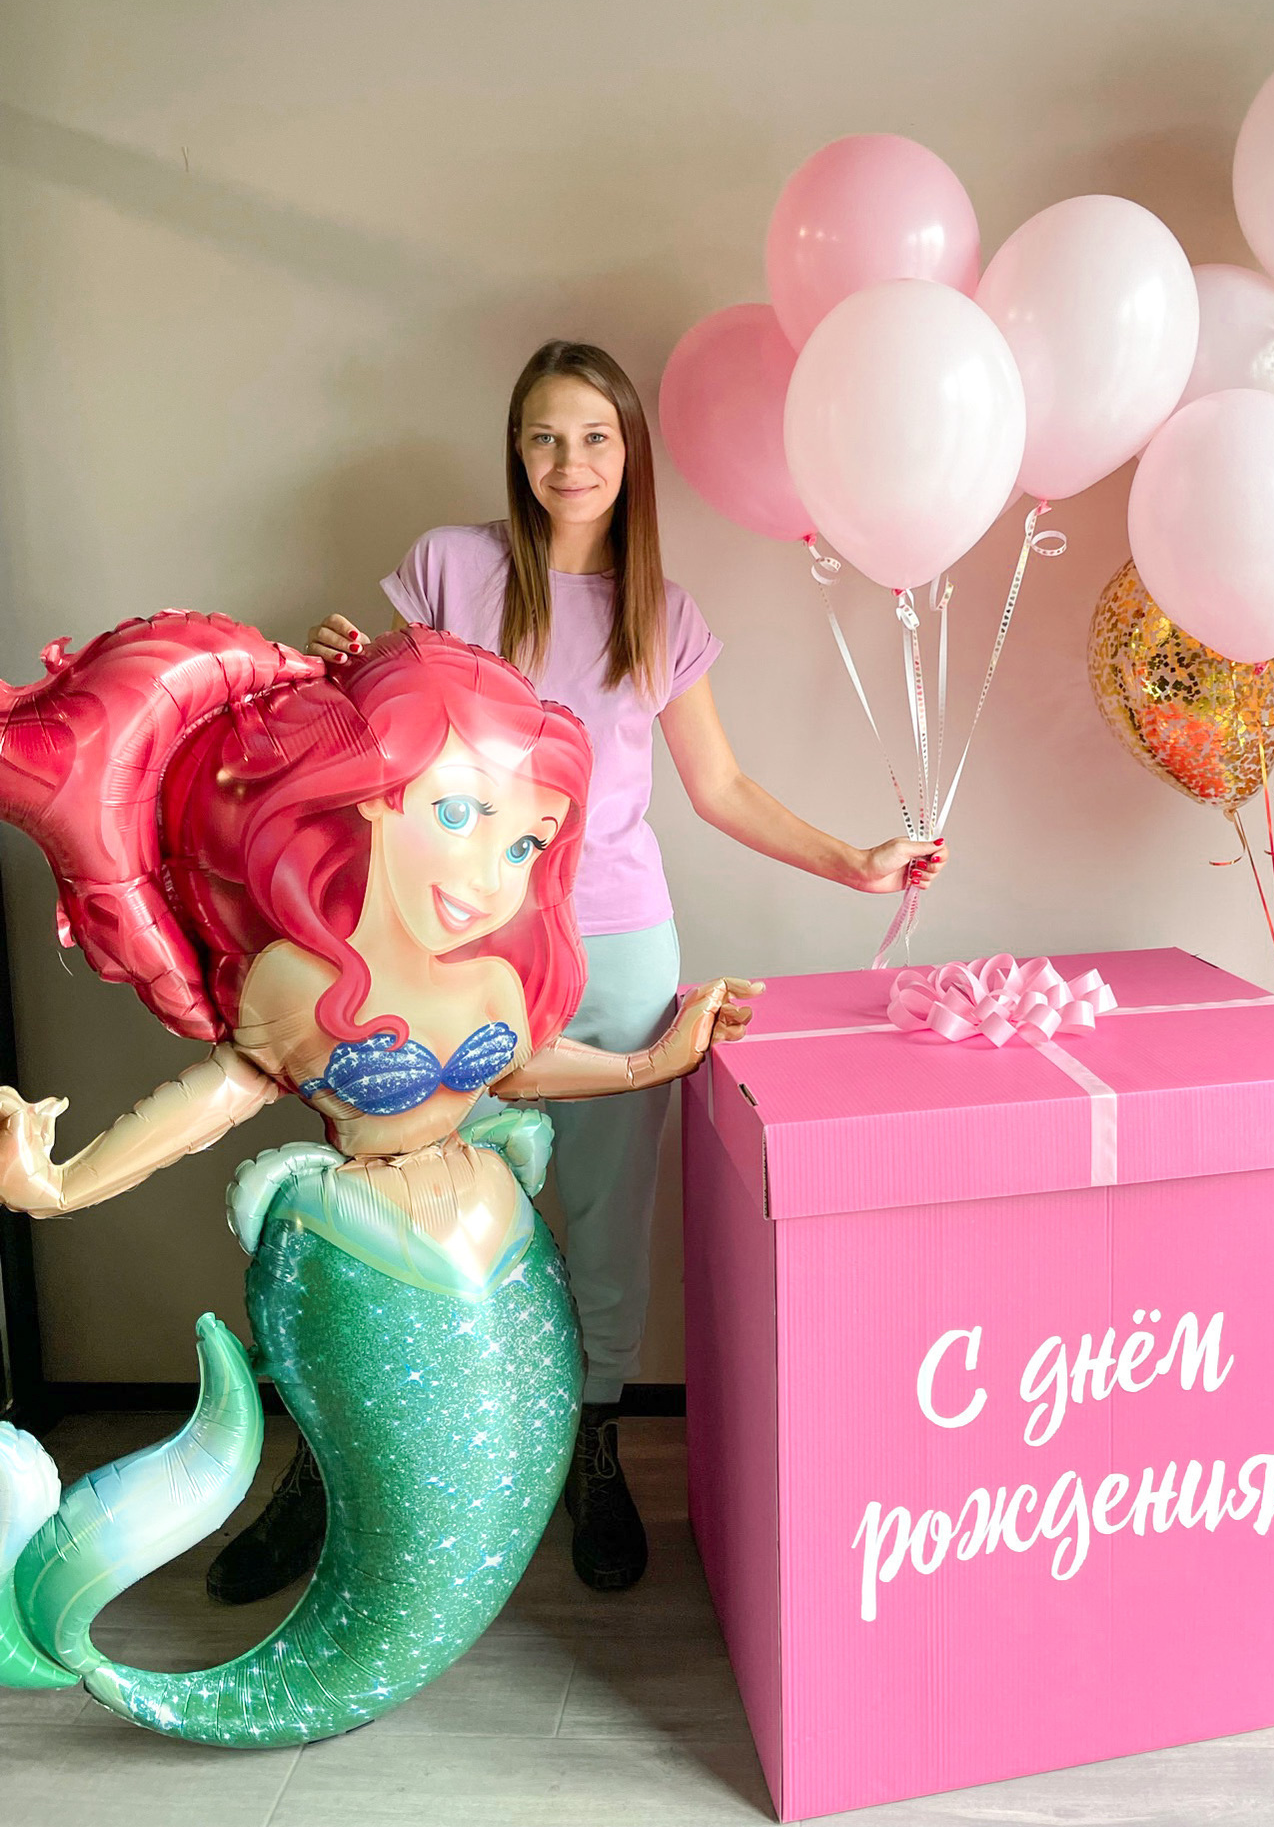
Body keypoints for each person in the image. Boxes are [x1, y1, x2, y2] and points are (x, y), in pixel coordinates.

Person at [214, 338, 945, 1602]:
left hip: (611, 944)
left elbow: (719, 786)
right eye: (545, 436)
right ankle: (332, 1461)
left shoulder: (661, 612)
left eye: (595, 437)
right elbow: (386, 752)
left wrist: (854, 862)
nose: (570, 461)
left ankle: (590, 1444)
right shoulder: (452, 570)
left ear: (629, 454)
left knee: (606, 1212)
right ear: (517, 449)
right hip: (448, 943)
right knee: (389, 1198)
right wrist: (333, 676)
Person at [0, 614, 757, 1743]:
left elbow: (523, 1068)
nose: (491, 875)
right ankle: (274, 1566)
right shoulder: (296, 982)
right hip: (355, 1255)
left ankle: (311, 1595)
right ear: (369, 801)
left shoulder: (498, 975)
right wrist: (60, 1184)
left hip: (498, 1253)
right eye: (456, 815)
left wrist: (653, 1062)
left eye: (524, 843)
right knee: (392, 1495)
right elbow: (221, 1092)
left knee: (477, 1499)